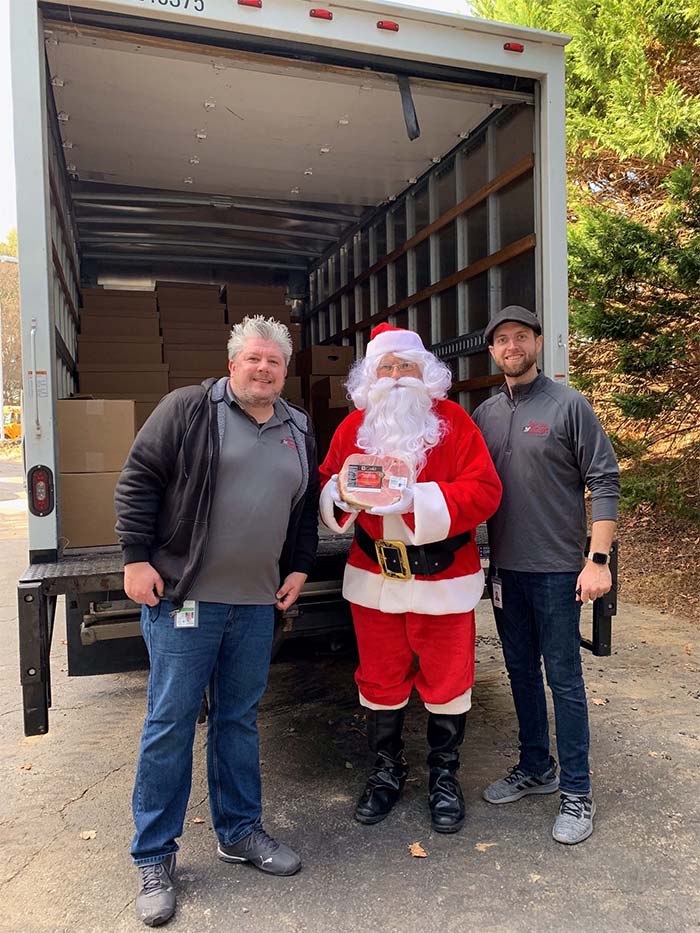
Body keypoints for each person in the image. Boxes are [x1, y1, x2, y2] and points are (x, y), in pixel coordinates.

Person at [115, 315, 319, 926]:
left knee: (238, 720)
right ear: (233, 363)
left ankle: (238, 831)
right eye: (253, 359)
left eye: (274, 362)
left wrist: (301, 568)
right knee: (171, 723)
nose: (263, 369)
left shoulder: (298, 428)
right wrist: (135, 559)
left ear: (285, 371)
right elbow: (137, 481)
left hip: (256, 604)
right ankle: (154, 855)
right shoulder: (189, 410)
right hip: (186, 600)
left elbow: (305, 511)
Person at [319, 323, 502, 833]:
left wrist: (416, 501)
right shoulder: (352, 427)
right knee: (380, 679)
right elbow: (327, 482)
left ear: (427, 375)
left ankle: (444, 776)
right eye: (387, 368)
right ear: (370, 378)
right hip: (373, 576)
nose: (397, 378)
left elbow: (485, 490)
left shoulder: (454, 423)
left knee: (448, 682)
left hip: (443, 577)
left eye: (406, 367)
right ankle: (386, 770)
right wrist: (338, 496)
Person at [472, 305, 620, 846]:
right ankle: (537, 767)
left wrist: (597, 559)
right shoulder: (485, 414)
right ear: (492, 351)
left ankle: (577, 792)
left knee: (565, 680)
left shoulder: (569, 405)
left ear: (537, 342)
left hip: (559, 571)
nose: (511, 347)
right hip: (505, 570)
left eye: (520, 337)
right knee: (519, 672)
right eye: (501, 340)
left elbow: (604, 481)